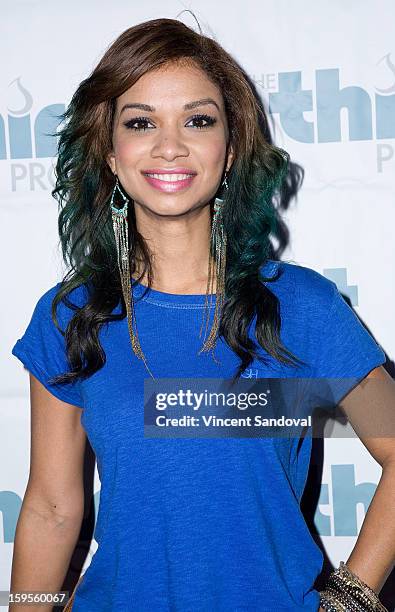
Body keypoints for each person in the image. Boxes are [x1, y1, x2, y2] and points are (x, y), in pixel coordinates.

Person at [9, 16, 395, 612]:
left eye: (197, 120)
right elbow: (52, 506)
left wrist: (350, 599)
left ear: (231, 148)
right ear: (110, 155)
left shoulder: (303, 307)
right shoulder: (71, 315)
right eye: (140, 123)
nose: (170, 145)